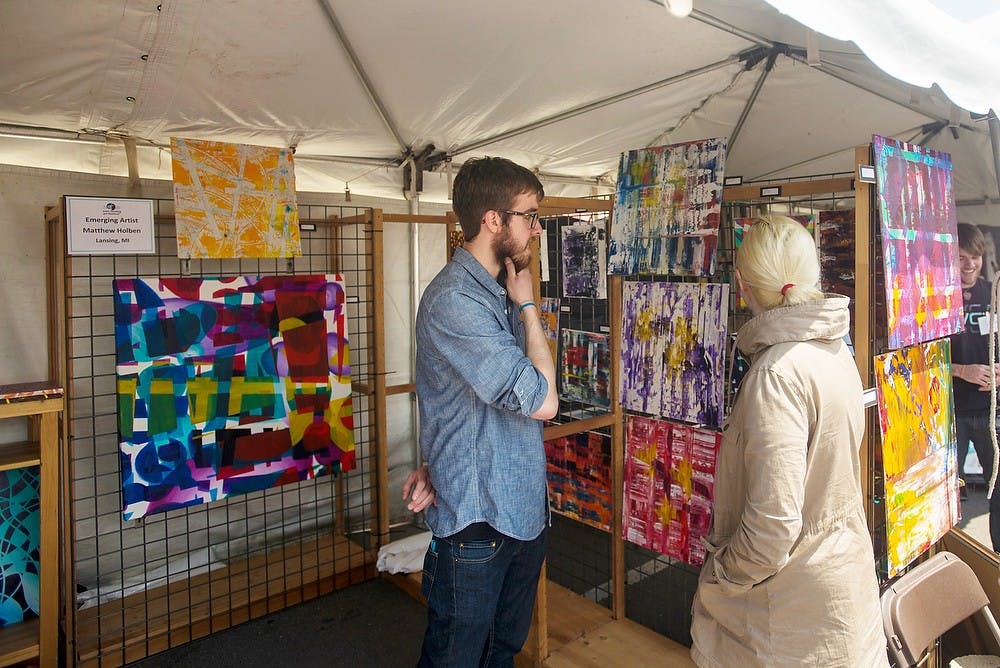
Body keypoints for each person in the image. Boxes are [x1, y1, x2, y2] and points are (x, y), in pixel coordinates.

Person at [690, 215, 887, 667]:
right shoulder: (833, 348)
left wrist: (721, 576)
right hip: (833, 589)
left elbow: (772, 528)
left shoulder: (777, 374)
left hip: (791, 613)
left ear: (741, 283)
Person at [402, 156, 559, 667]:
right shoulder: (455, 301)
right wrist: (530, 306)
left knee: (502, 651)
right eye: (529, 215)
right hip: (479, 520)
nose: (536, 228)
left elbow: (468, 409)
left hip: (519, 511)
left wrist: (521, 301)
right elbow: (543, 401)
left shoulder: (498, 291)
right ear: (494, 219)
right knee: (456, 657)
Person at [951, 222, 1000, 549]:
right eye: (962, 257)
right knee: (945, 493)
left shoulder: (992, 293)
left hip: (988, 410)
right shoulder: (938, 296)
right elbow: (918, 359)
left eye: (976, 257)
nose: (970, 265)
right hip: (949, 411)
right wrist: (961, 369)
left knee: (997, 491)